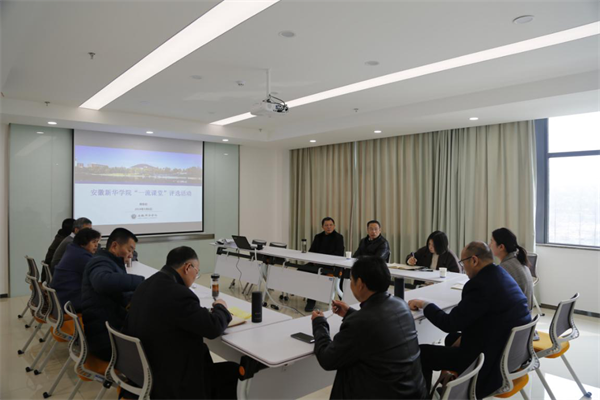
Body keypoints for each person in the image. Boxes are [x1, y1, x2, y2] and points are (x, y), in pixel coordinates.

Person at [408, 242, 530, 399]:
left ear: (474, 260)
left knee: (422, 353)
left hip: (487, 362)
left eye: (463, 262)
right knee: (452, 338)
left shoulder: (479, 285)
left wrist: (425, 304)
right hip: (508, 353)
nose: (463, 268)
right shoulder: (501, 274)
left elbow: (449, 323)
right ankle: (453, 384)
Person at [122, 246, 238, 399]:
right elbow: (213, 328)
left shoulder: (146, 284)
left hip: (142, 372)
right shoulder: (178, 294)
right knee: (233, 372)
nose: (195, 277)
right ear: (188, 267)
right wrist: (221, 307)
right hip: (170, 381)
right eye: (196, 272)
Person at [311, 256, 427, 399]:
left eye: (351, 280)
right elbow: (377, 323)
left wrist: (319, 323)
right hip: (415, 393)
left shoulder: (359, 323)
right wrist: (349, 313)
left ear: (360, 284)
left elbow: (327, 359)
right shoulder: (401, 304)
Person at [81, 227, 144, 361]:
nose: (131, 255)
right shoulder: (100, 262)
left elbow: (120, 293)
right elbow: (102, 281)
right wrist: (142, 282)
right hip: (107, 342)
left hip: (108, 332)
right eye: (129, 250)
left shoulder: (110, 262)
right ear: (115, 246)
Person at [51, 228, 101, 312]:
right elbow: (99, 278)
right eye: (93, 242)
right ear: (83, 243)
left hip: (62, 297)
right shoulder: (81, 257)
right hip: (70, 301)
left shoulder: (73, 250)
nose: (96, 245)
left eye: (97, 242)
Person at [302, 217, 345, 312]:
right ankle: (302, 292)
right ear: (322, 227)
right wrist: (314, 260)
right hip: (317, 263)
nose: (329, 227)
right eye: (326, 225)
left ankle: (311, 300)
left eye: (331, 225)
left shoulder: (339, 237)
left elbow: (339, 254)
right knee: (301, 270)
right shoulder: (318, 237)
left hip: (330, 265)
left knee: (315, 276)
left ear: (334, 226)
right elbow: (311, 251)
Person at [490, 228, 534, 310]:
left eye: (492, 241)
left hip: (517, 316)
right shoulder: (519, 261)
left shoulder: (504, 268)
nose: (489, 245)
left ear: (501, 247)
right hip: (525, 315)